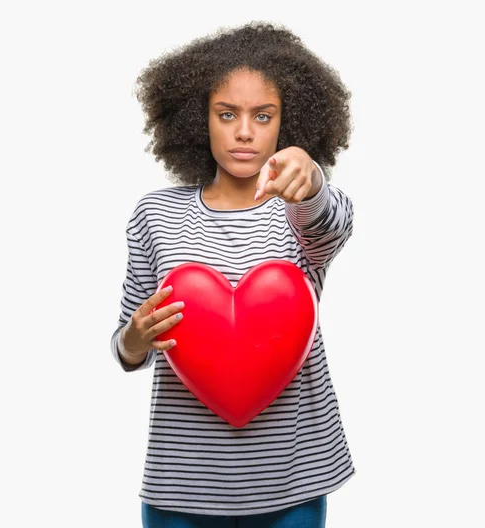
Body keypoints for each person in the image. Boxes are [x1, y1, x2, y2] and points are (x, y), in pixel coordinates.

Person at [110, 21, 356, 527]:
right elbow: (126, 347)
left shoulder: (300, 212)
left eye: (262, 116)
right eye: (227, 114)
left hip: (293, 480)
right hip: (181, 484)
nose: (244, 131)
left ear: (288, 125)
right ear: (200, 121)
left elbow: (334, 222)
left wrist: (311, 181)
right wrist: (135, 338)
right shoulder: (154, 215)